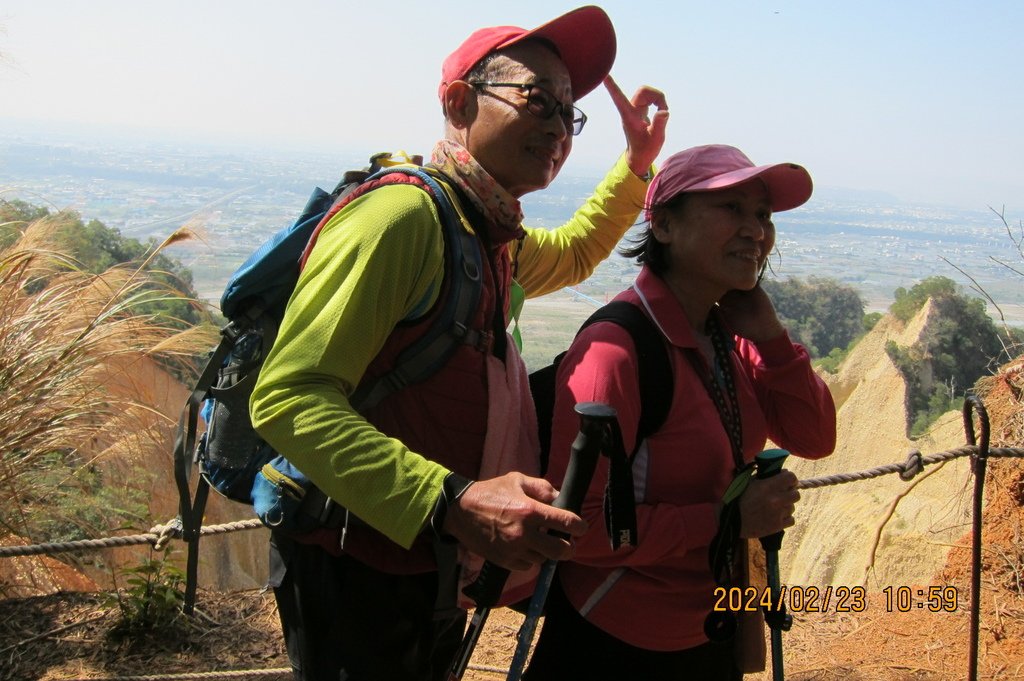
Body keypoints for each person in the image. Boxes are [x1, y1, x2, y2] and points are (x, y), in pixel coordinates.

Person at [249, 6, 669, 680]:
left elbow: (576, 251)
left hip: (430, 562)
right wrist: (456, 500)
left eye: (569, 113)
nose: (559, 126)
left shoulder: (487, 232)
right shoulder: (404, 218)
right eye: (538, 100)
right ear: (457, 100)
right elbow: (287, 397)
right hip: (358, 568)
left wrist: (637, 165)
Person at [523, 144, 837, 681]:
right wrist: (725, 520)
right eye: (730, 209)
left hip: (710, 632)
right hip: (616, 643)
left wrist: (772, 339)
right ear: (664, 225)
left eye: (762, 214)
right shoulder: (615, 351)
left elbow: (814, 436)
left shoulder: (725, 336)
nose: (755, 230)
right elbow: (573, 530)